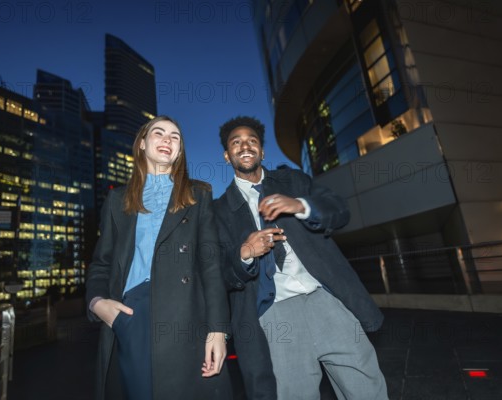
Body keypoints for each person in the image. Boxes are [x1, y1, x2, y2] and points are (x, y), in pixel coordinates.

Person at [214, 116, 387, 400]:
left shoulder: (293, 180)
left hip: (326, 299)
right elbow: (217, 272)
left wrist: (301, 205)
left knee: (367, 388)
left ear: (262, 151)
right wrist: (244, 254)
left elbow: (338, 210)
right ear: (226, 155)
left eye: (252, 141)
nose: (245, 146)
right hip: (274, 313)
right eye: (236, 142)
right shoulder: (219, 211)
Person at [86, 115, 232, 400]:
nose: (167, 139)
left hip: (187, 313)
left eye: (175, 136)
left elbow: (211, 265)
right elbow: (102, 263)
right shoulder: (118, 200)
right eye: (159, 133)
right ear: (142, 144)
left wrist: (218, 330)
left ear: (179, 151)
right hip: (133, 314)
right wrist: (97, 303)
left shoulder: (198, 194)